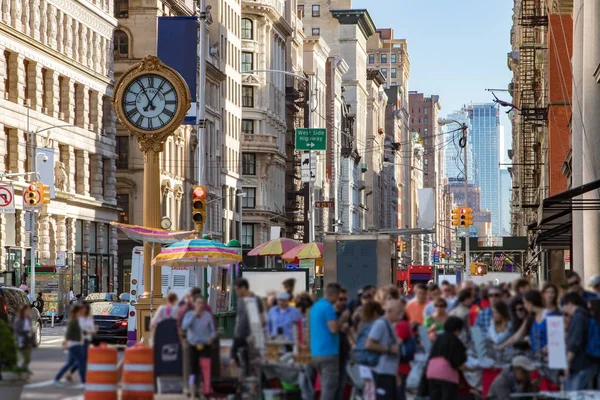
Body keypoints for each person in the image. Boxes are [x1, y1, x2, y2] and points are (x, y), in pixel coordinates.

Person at [309, 283, 348, 400]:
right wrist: (343, 319)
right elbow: (333, 328)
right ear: (335, 294)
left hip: (315, 352)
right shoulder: (328, 308)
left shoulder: (315, 307)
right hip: (328, 353)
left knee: (324, 386)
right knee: (329, 388)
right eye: (338, 297)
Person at [425, 316, 472, 400]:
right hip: (446, 375)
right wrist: (472, 369)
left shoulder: (438, 338)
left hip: (431, 372)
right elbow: (458, 364)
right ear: (457, 330)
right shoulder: (455, 341)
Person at [365, 299, 403, 399]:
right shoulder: (380, 324)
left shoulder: (389, 324)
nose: (401, 315)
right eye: (398, 311)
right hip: (382, 371)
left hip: (389, 371)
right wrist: (389, 348)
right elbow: (369, 344)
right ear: (389, 311)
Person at [182, 297, 217, 399]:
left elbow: (212, 330)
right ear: (194, 304)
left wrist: (212, 337)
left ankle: (205, 392)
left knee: (205, 369)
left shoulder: (206, 316)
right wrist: (194, 316)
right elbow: (184, 326)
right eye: (198, 303)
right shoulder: (189, 315)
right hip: (193, 345)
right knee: (193, 371)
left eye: (202, 303)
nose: (200, 305)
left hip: (205, 345)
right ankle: (192, 393)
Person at [562, 292, 595, 390]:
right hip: (586, 362)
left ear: (569, 304)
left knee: (575, 394)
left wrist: (567, 363)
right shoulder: (585, 315)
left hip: (581, 364)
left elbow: (576, 342)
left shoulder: (578, 317)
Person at [232, 278, 264, 375]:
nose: (236, 292)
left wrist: (256, 333)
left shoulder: (255, 299)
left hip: (251, 335)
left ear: (244, 288)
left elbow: (261, 317)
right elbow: (239, 316)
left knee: (252, 360)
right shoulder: (240, 300)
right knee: (237, 358)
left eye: (237, 289)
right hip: (239, 334)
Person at [54, 304, 86, 387]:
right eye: (81, 312)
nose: (82, 313)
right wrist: (66, 342)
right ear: (77, 313)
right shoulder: (74, 321)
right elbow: (69, 334)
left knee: (70, 363)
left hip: (74, 344)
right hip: (75, 345)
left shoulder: (75, 320)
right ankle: (83, 382)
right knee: (82, 362)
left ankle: (57, 378)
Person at [65, 304, 96, 383]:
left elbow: (91, 328)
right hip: (80, 340)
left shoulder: (89, 318)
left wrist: (92, 330)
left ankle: (71, 373)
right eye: (82, 309)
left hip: (86, 340)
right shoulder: (79, 318)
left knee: (82, 359)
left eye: (85, 309)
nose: (83, 311)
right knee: (82, 360)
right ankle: (83, 378)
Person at [334, 288, 351, 400]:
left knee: (341, 385)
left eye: (345, 299)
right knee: (332, 386)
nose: (343, 302)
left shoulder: (346, 312)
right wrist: (342, 321)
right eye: (340, 299)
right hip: (332, 354)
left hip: (344, 353)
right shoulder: (330, 313)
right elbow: (333, 329)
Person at [395, 298, 412, 400]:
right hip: (399, 365)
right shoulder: (402, 324)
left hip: (400, 366)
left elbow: (397, 342)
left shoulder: (402, 325)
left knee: (399, 392)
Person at [13, 304, 33, 372]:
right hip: (20, 339)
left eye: (29, 310)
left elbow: (30, 328)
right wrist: (25, 332)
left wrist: (30, 332)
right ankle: (21, 369)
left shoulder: (29, 319)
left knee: (27, 356)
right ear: (23, 311)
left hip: (27, 339)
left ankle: (24, 369)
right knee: (21, 355)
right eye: (27, 310)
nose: (29, 312)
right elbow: (17, 330)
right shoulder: (19, 320)